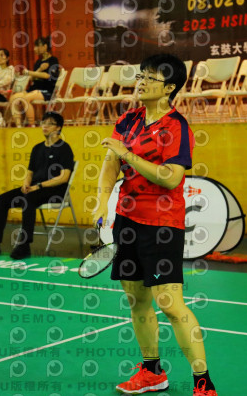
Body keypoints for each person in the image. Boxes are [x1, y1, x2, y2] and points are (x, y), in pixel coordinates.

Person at [93, 54, 217, 396]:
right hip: (127, 220)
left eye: (150, 78)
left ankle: (203, 382)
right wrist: (101, 200)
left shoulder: (176, 127)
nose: (142, 82)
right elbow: (110, 163)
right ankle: (152, 371)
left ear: (169, 87)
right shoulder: (129, 120)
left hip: (161, 224)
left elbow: (171, 177)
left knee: (170, 304)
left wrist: (128, 154)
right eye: (141, 75)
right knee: (137, 300)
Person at [0, 111, 74, 260]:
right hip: (34, 189)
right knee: (2, 199)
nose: (45, 126)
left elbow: (64, 178)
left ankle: (24, 245)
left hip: (55, 191)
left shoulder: (64, 148)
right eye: (43, 123)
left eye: (50, 124)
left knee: (29, 199)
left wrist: (38, 186)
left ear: (58, 128)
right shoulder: (37, 148)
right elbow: (30, 172)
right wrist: (26, 184)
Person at [9, 36, 59, 127]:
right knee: (13, 98)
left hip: (47, 90)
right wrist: (40, 69)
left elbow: (47, 76)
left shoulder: (53, 60)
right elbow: (32, 78)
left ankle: (32, 126)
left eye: (37, 46)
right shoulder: (38, 62)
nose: (35, 49)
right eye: (35, 46)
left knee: (26, 99)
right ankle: (19, 126)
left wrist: (29, 72)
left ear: (45, 46)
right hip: (34, 89)